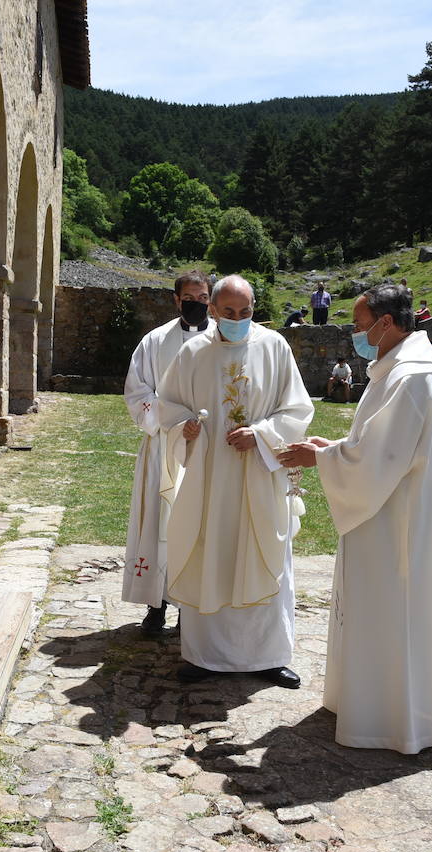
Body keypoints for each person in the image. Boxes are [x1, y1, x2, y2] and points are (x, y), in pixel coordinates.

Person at [278, 285, 432, 752]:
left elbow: (382, 459)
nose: (355, 331)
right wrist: (333, 451)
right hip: (385, 509)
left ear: (385, 323)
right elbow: (377, 448)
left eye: (359, 321)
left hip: (397, 520)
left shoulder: (410, 376)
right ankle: (371, 705)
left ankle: (391, 719)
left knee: (395, 610)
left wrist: (324, 460)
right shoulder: (394, 369)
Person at [158, 275, 313, 687]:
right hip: (210, 478)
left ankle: (268, 655)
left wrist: (261, 434)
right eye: (228, 313)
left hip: (261, 475)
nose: (238, 320)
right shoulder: (192, 353)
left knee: (263, 554)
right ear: (212, 310)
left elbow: (297, 409)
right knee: (211, 552)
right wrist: (183, 428)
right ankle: (204, 655)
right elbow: (166, 406)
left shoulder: (275, 347)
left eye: (246, 312)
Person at [122, 270, 216, 635]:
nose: (197, 305)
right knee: (160, 524)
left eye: (203, 298)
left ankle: (191, 610)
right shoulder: (154, 341)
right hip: (164, 447)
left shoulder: (221, 341)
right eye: (189, 299)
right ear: (176, 300)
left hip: (207, 451)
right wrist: (175, 423)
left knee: (201, 525)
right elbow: (137, 393)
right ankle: (156, 606)